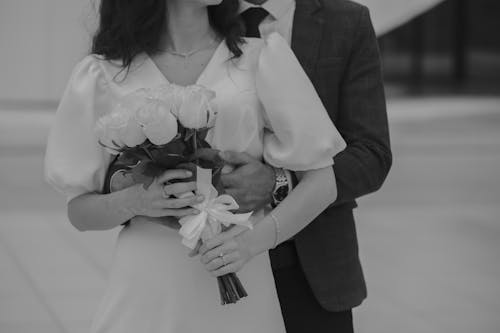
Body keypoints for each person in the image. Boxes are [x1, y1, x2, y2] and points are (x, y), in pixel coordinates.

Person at [44, 0, 346, 332]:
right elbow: (79, 211)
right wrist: (136, 200)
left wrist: (249, 245)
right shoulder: (103, 72)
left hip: (242, 277)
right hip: (146, 285)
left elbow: (322, 183)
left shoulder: (260, 56)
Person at [196, 0, 392, 332]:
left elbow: (371, 154)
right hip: (213, 264)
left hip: (312, 265)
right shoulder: (198, 15)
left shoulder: (347, 21)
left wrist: (278, 183)